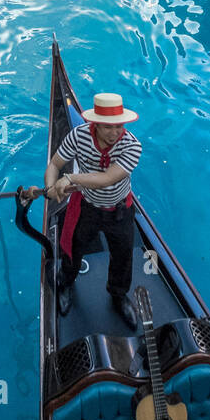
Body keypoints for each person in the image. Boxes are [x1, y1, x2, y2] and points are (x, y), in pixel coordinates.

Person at [27, 92, 142, 330]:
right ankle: (67, 283)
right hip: (87, 207)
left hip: (120, 211)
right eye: (108, 127)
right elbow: (55, 165)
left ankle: (118, 296)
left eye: (119, 126)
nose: (115, 133)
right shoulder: (78, 136)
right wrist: (50, 187)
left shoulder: (131, 145)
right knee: (73, 249)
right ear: (95, 124)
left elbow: (107, 179)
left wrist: (68, 178)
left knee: (123, 256)